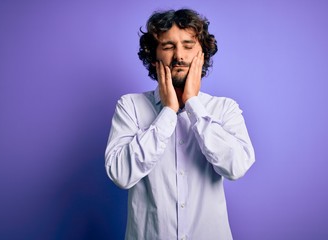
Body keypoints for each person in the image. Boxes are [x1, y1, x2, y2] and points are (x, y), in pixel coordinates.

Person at [105, 8, 255, 240]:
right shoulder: (130, 106)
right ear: (153, 54)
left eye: (188, 45)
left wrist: (193, 105)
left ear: (202, 53)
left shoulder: (225, 109)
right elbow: (121, 175)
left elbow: (236, 167)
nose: (179, 57)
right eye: (168, 47)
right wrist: (168, 111)